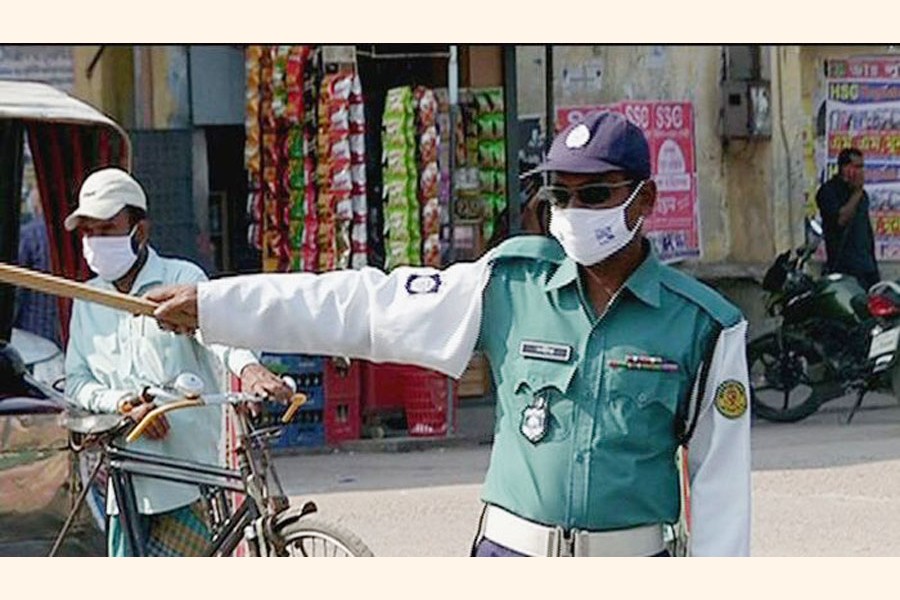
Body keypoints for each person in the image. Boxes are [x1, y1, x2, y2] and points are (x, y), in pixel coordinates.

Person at [147, 112, 751, 557]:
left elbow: (721, 494)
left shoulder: (703, 325)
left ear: (644, 198)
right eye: (559, 196)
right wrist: (216, 305)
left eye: (594, 195)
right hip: (509, 556)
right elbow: (364, 306)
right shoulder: (507, 287)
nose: (573, 210)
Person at [63, 168, 291, 557]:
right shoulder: (87, 298)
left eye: (107, 229)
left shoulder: (181, 279)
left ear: (140, 231)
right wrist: (122, 403)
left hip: (188, 476)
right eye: (89, 232)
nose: (95, 241)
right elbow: (77, 382)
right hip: (127, 479)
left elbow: (219, 336)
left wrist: (250, 370)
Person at [815, 147, 881, 291]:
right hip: (844, 269)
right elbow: (840, 220)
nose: (861, 172)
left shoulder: (862, 196)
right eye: (857, 167)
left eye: (862, 167)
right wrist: (857, 192)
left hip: (866, 268)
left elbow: (866, 232)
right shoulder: (828, 192)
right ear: (845, 168)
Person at [14, 188, 59, 345]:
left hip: (32, 330)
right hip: (63, 331)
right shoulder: (69, 234)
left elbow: (15, 289)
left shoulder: (28, 235)